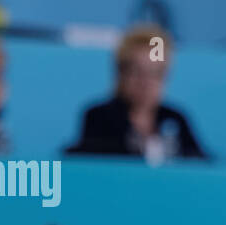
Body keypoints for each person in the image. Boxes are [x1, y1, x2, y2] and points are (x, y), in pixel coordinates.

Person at [67, 26, 207, 163]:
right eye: (136, 72)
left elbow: (201, 162)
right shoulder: (99, 117)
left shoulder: (175, 119)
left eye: (155, 73)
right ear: (120, 73)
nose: (145, 82)